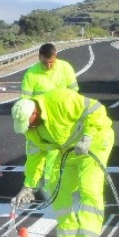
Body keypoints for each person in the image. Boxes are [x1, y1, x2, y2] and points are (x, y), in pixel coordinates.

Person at [10, 88, 114, 237]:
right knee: (56, 187)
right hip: (69, 150)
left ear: (35, 112)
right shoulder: (31, 131)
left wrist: (87, 137)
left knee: (89, 187)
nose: (28, 128)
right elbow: (35, 158)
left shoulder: (61, 99)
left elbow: (96, 109)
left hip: (95, 142)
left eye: (29, 122)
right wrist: (29, 186)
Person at [20, 43, 80, 195]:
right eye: (44, 62)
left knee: (55, 156)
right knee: (33, 155)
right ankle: (30, 187)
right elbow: (24, 101)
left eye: (51, 62)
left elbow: (74, 95)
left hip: (59, 123)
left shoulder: (65, 68)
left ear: (56, 57)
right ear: (39, 57)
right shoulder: (31, 74)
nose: (48, 66)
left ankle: (51, 189)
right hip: (38, 123)